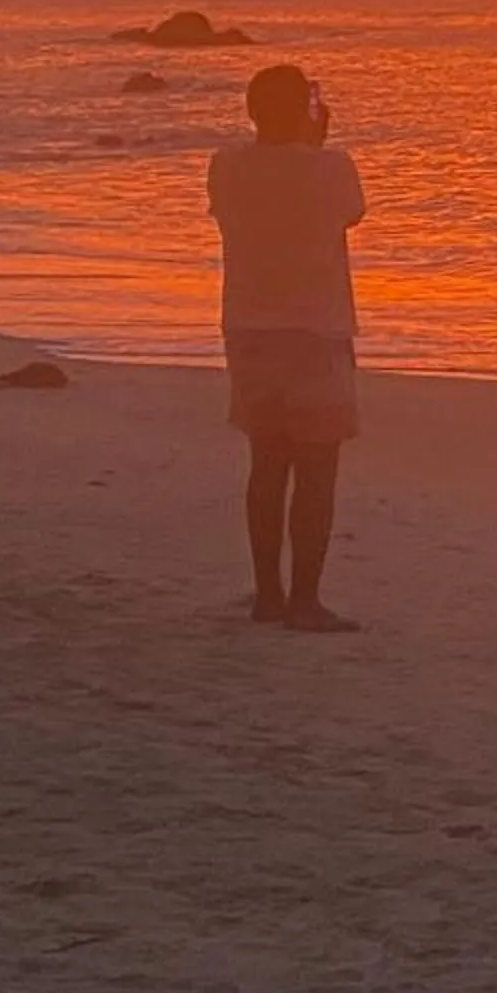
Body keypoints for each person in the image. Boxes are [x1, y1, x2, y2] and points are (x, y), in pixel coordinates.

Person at [207, 63, 366, 632]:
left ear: (252, 112)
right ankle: (304, 599)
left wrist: (302, 141)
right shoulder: (332, 167)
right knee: (316, 472)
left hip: (250, 327)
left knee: (267, 465)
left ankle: (269, 594)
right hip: (316, 330)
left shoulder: (226, 167)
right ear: (305, 111)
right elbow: (350, 212)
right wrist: (313, 144)